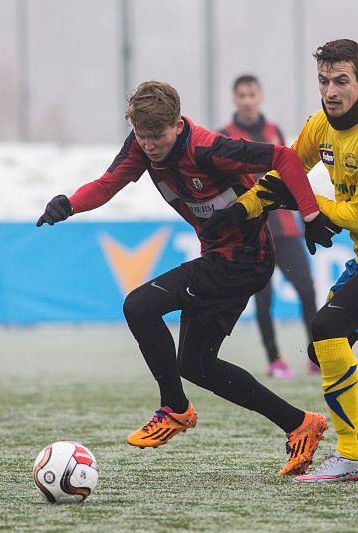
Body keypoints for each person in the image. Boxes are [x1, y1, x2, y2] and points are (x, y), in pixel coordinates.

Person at [36, 80, 341, 476]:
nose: (148, 145)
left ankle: (175, 410)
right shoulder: (141, 145)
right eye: (142, 136)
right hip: (219, 257)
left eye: (156, 135)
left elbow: (284, 157)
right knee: (196, 364)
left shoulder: (208, 148)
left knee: (140, 305)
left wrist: (310, 215)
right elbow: (108, 185)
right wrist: (69, 204)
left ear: (177, 125)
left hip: (244, 259)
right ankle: (300, 424)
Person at [217, 39, 358, 482]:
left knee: (326, 330)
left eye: (341, 81)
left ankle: (350, 453)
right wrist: (239, 212)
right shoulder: (320, 125)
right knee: (325, 346)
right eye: (324, 81)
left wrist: (305, 203)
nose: (330, 91)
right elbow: (285, 173)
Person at [218, 74, 318, 379]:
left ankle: (317, 356)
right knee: (263, 298)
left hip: (286, 229)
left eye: (252, 94)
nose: (247, 100)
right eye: (242, 95)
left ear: (260, 97)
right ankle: (275, 359)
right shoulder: (225, 135)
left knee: (307, 289)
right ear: (235, 99)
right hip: (252, 231)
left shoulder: (274, 131)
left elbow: (291, 171)